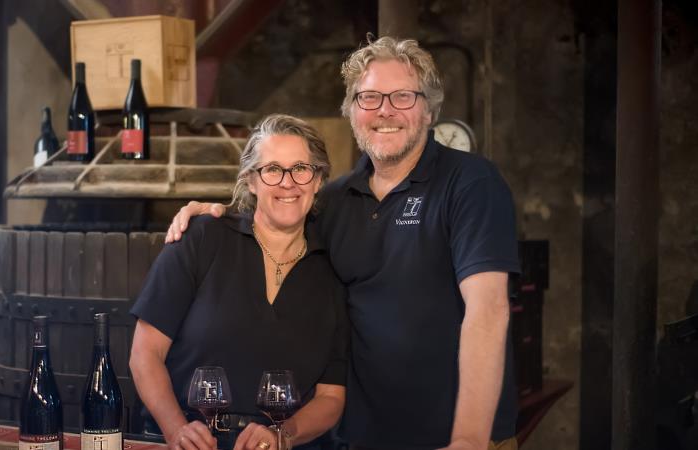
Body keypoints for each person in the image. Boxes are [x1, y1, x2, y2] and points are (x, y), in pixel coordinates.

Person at [167, 36, 520, 450]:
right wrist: (218, 212)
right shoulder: (334, 200)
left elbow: (488, 310)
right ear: (351, 111)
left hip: (454, 438)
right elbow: (274, 215)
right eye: (369, 97)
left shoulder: (471, 183)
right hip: (363, 438)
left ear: (428, 110)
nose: (385, 110)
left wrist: (469, 439)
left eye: (403, 96)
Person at [130, 114, 349, 450]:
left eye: (301, 168)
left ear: (318, 180)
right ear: (251, 181)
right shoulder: (204, 238)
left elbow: (331, 397)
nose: (288, 183)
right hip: (187, 442)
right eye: (272, 169)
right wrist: (177, 430)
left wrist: (282, 436)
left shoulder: (332, 272)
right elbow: (145, 353)